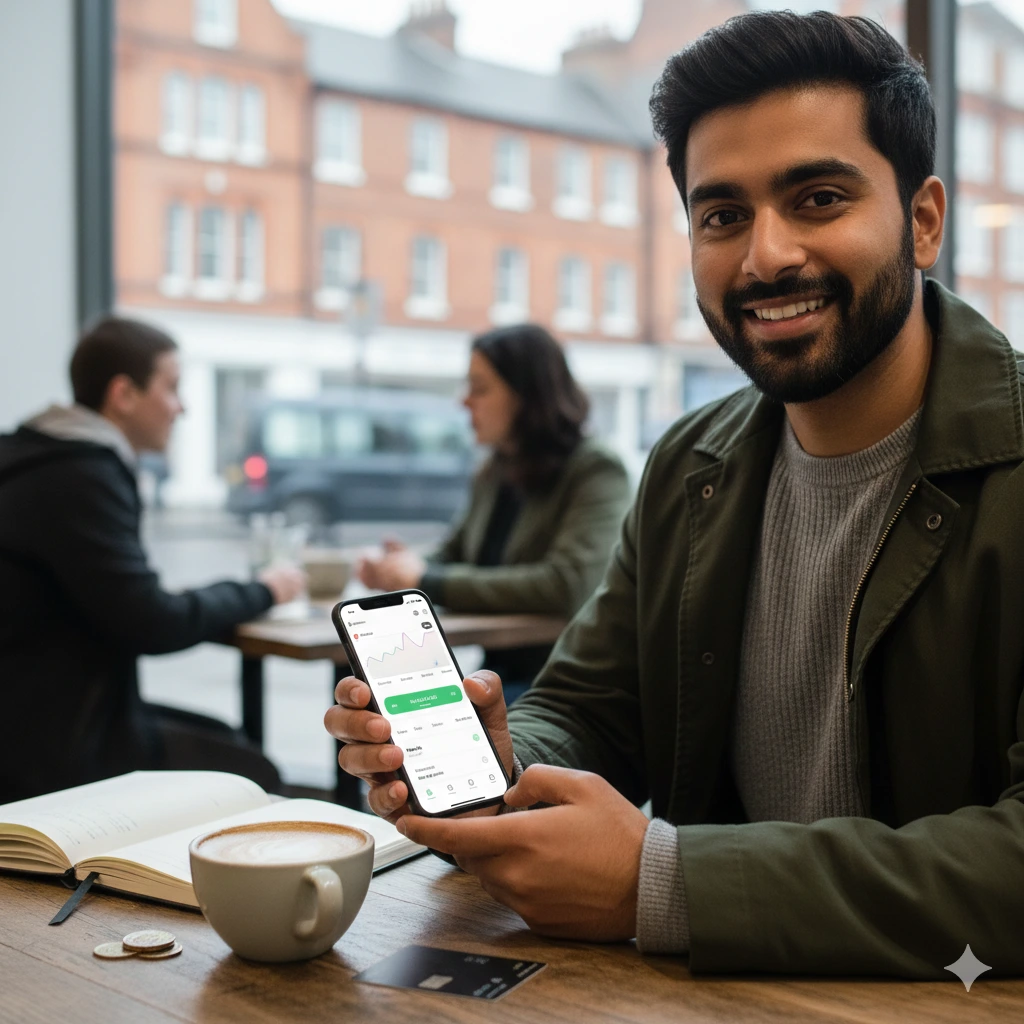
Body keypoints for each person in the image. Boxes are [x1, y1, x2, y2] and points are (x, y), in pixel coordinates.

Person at [326, 10, 1024, 978]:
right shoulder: (691, 465)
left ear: (923, 221)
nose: (765, 256)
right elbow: (592, 706)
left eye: (818, 198)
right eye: (722, 215)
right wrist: (500, 759)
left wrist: (664, 882)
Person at [0, 317, 305, 802]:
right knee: (250, 775)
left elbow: (122, 599)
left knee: (227, 740)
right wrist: (264, 590)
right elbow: (151, 621)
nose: (182, 408)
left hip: (43, 718)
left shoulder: (35, 455)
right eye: (172, 388)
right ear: (123, 394)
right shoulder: (80, 475)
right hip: (51, 749)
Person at [357, 324, 631, 700]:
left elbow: (567, 583)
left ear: (527, 396)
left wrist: (426, 579)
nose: (464, 401)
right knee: (380, 700)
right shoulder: (496, 470)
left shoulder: (595, 469)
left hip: (566, 685)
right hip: (498, 676)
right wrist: (398, 569)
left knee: (407, 715)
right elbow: (454, 554)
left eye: (480, 388)